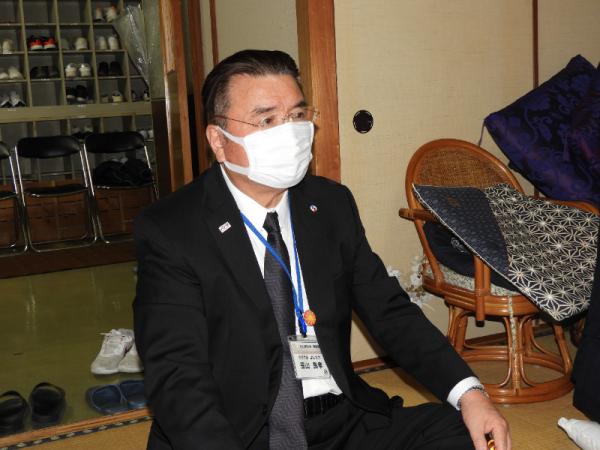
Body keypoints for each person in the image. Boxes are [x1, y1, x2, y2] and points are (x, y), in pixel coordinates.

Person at [133, 49, 510, 450]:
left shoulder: (329, 204)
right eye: (267, 120)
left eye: (297, 115)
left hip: (338, 420)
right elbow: (177, 375)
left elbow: (389, 312)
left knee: (463, 434)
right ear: (219, 141)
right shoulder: (172, 228)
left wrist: (470, 393)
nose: (289, 132)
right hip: (240, 432)